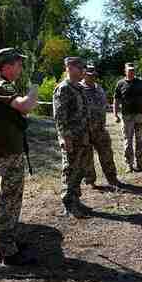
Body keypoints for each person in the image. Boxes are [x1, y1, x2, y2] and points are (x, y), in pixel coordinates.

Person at [0, 47, 39, 266]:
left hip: (9, 150)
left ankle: (9, 241)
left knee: (13, 198)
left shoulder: (1, 85)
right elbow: (25, 106)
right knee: (9, 199)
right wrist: (35, 86)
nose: (21, 67)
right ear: (7, 65)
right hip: (7, 152)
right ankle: (7, 250)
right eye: (18, 63)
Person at [53, 57, 92, 218]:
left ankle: (75, 200)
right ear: (69, 68)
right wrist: (66, 139)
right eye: (80, 67)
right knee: (70, 170)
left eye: (83, 67)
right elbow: (60, 118)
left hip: (83, 137)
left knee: (80, 170)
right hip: (71, 138)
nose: (83, 70)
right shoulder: (63, 88)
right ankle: (68, 205)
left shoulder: (80, 88)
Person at [81, 64, 121, 189]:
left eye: (93, 75)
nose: (92, 77)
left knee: (107, 154)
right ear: (84, 74)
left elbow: (104, 105)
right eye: (89, 75)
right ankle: (91, 181)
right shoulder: (79, 89)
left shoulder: (99, 88)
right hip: (85, 130)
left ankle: (112, 178)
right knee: (87, 157)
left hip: (100, 129)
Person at [113, 63, 142, 172]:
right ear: (125, 71)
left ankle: (139, 163)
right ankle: (129, 165)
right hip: (127, 117)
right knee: (128, 141)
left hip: (140, 115)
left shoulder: (141, 82)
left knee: (140, 140)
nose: (131, 72)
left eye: (133, 70)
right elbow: (116, 100)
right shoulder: (120, 83)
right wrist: (115, 114)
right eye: (129, 70)